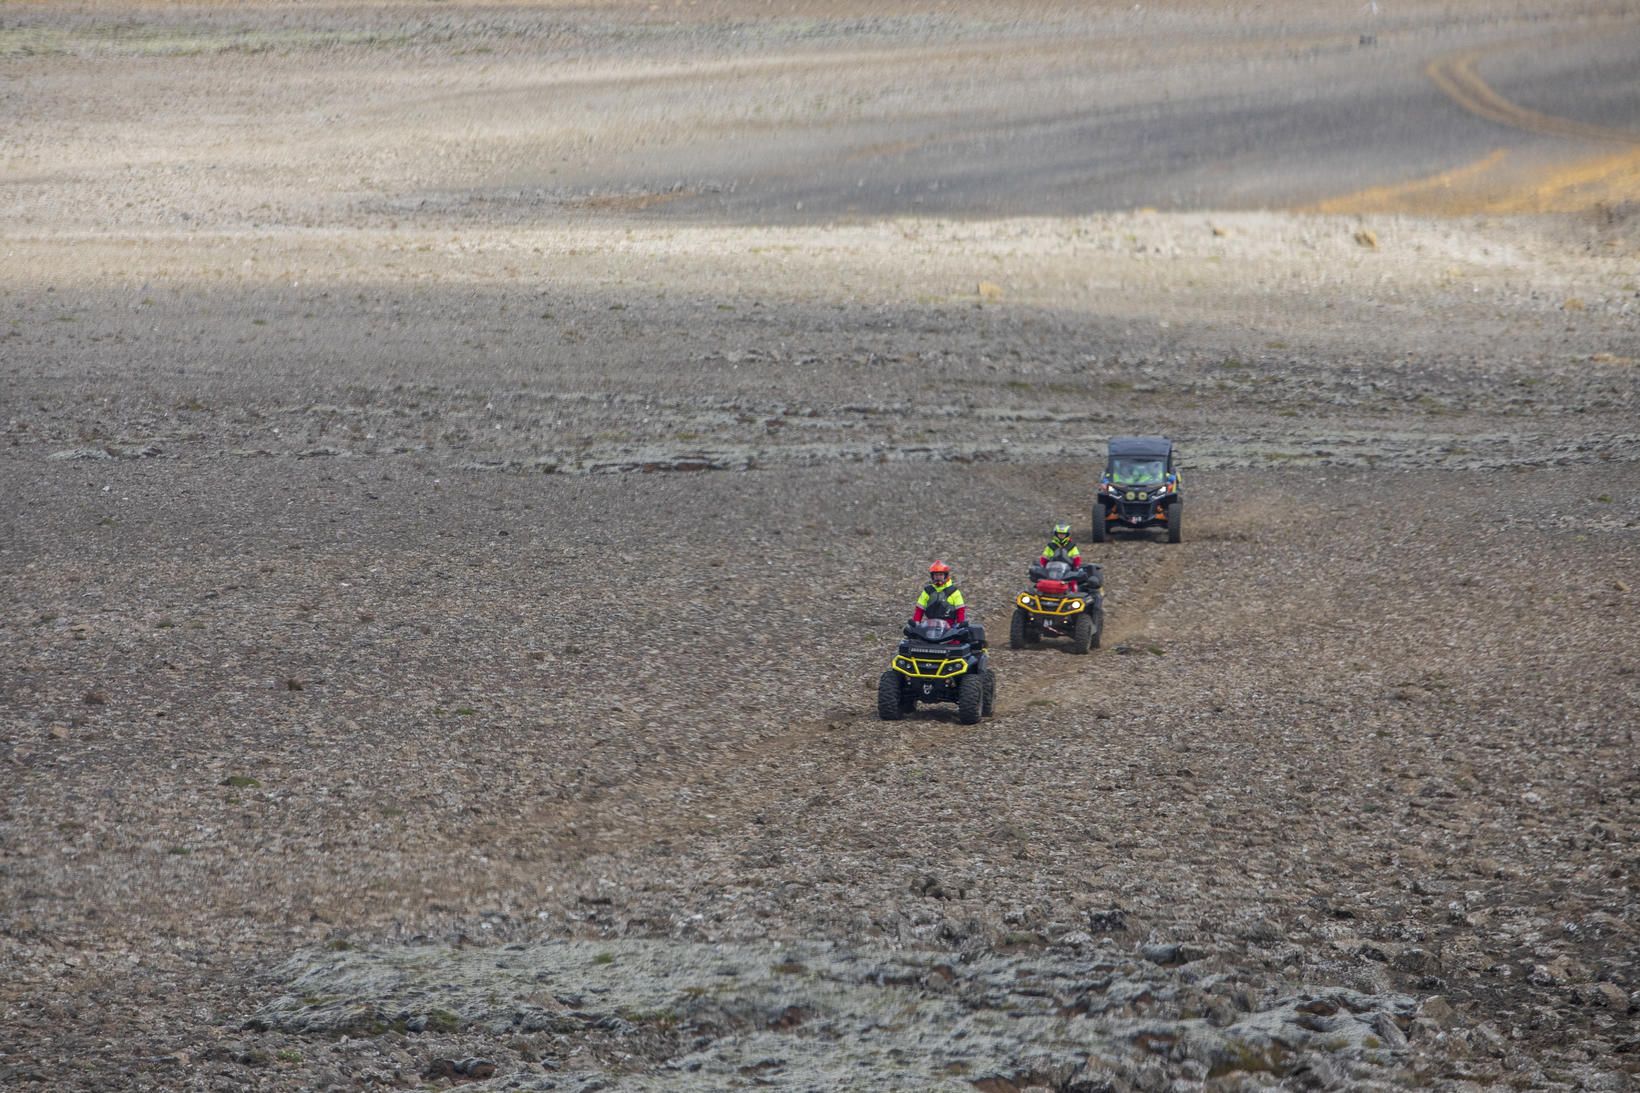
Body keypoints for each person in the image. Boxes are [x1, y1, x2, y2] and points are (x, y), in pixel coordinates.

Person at [912, 560, 967, 627]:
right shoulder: (927, 591)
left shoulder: (954, 591)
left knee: (959, 635)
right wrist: (916, 622)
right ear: (932, 576)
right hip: (930, 626)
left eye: (940, 575)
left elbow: (960, 610)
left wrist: (960, 623)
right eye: (936, 575)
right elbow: (919, 609)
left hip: (949, 627)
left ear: (945, 576)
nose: (938, 577)